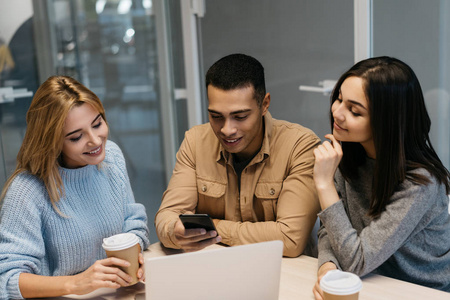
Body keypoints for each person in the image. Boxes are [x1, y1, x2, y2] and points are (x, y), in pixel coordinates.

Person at [155, 53, 321, 257]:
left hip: (285, 270)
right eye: (216, 116)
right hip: (218, 266)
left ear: (265, 104)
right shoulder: (195, 142)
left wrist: (212, 228)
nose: (227, 130)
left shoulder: (300, 146)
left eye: (240, 116)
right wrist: (175, 231)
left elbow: (289, 239)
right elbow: (167, 218)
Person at [0, 76, 150, 299]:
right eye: (76, 137)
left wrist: (135, 256)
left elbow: (133, 223)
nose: (96, 141)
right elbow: (7, 278)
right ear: (52, 141)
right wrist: (76, 284)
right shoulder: (27, 190)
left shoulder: (113, 157)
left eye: (97, 124)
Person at [312, 56, 450, 298]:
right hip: (372, 282)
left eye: (354, 111)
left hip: (423, 291)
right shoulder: (346, 154)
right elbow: (331, 228)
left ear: (386, 122)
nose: (338, 112)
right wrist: (328, 267)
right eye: (339, 99)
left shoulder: (419, 183)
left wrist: (324, 185)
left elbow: (357, 261)